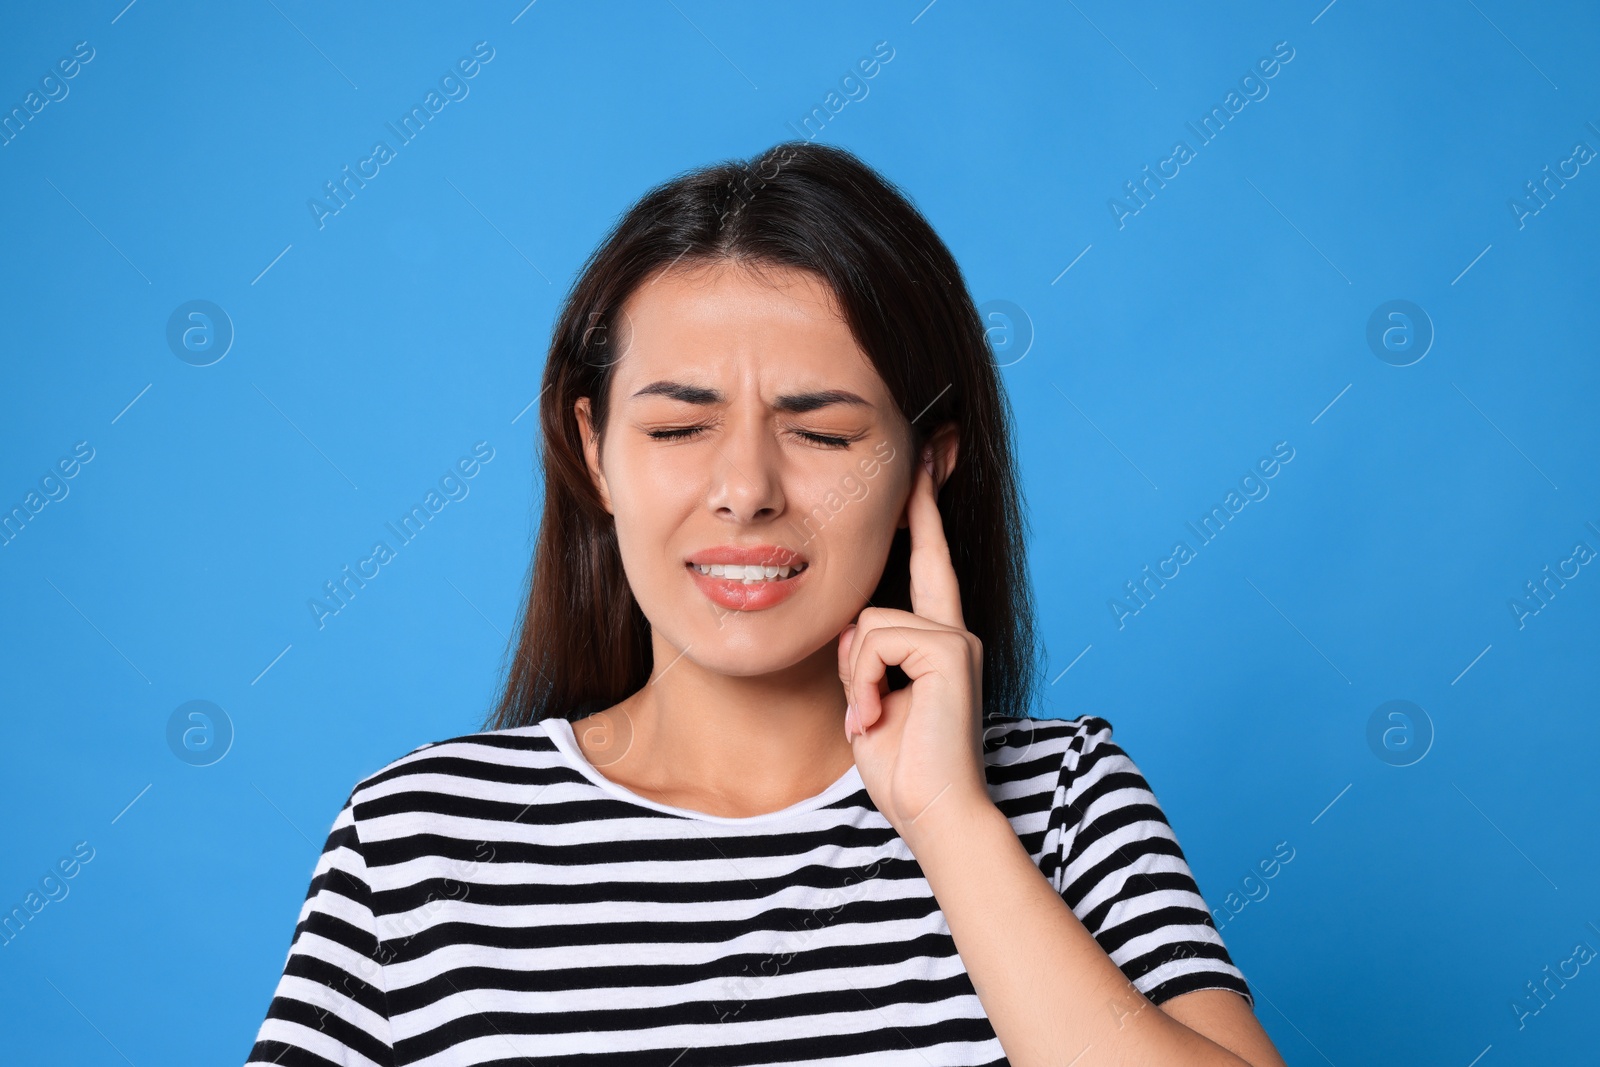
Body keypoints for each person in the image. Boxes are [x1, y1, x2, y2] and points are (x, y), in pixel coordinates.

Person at [246, 141, 1287, 1066]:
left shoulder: (1060, 800)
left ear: (927, 464)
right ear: (591, 450)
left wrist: (950, 821)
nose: (745, 488)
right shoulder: (416, 839)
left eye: (824, 432)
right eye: (676, 428)